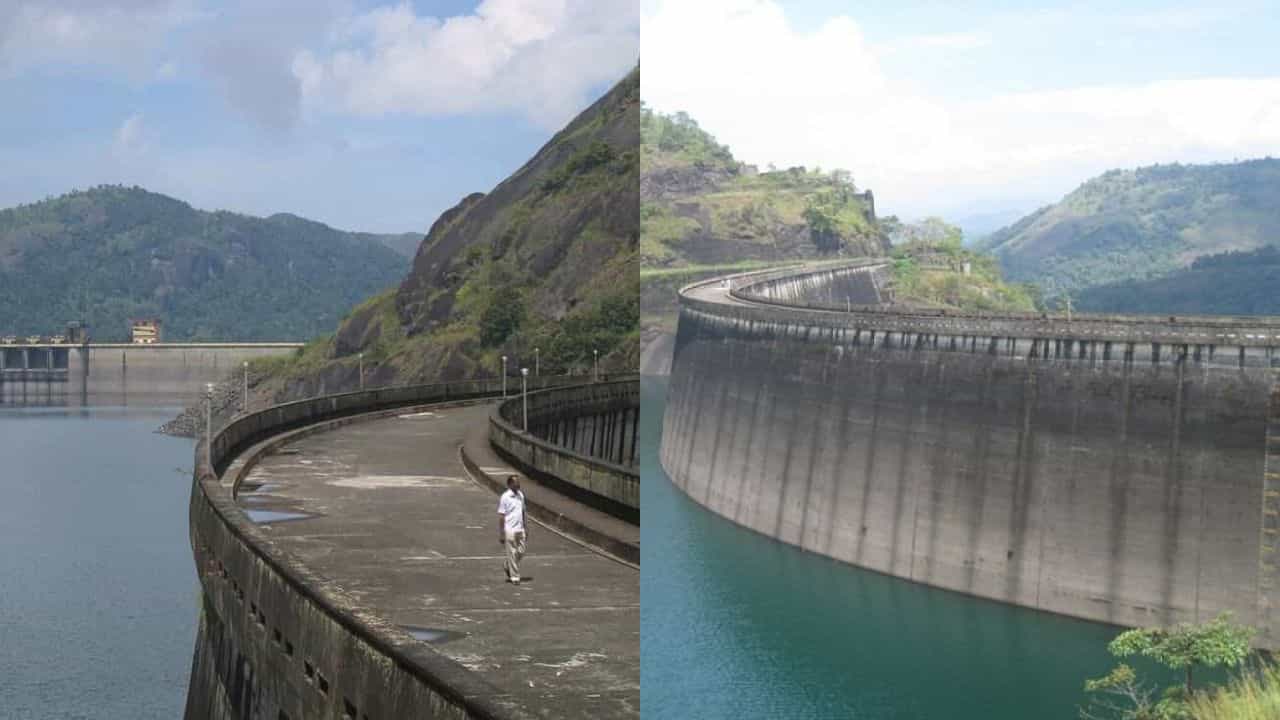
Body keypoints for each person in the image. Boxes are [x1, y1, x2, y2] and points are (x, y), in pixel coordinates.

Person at [497, 475, 527, 584]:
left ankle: (507, 565)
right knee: (511, 553)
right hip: (509, 529)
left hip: (520, 528)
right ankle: (514, 577)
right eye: (515, 482)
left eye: (518, 482)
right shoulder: (505, 497)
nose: (518, 484)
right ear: (509, 484)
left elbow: (523, 511)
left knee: (521, 551)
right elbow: (501, 515)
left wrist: (525, 526)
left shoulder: (521, 495)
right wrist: (501, 533)